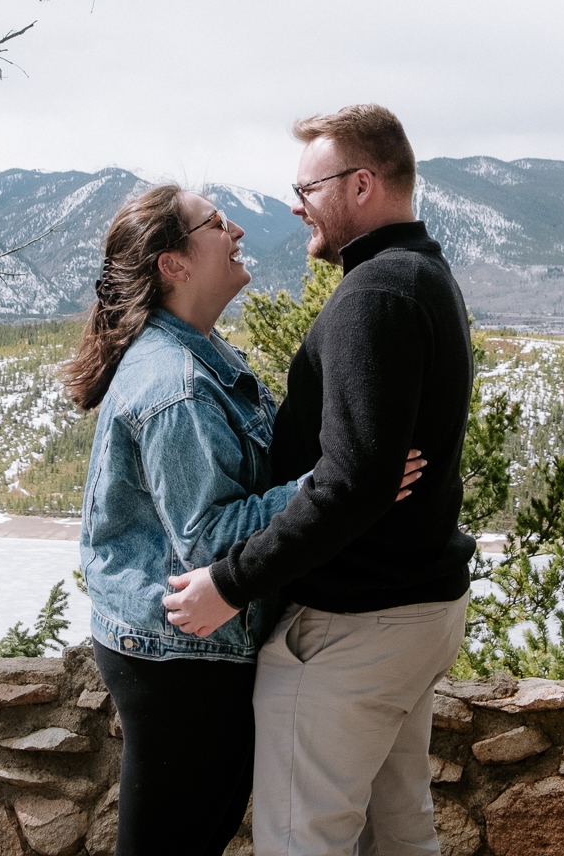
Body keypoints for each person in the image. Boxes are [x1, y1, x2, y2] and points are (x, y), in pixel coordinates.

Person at [63, 184, 427, 856]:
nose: (234, 229)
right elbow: (210, 539)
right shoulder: (176, 383)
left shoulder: (202, 352)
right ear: (173, 264)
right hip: (181, 658)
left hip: (182, 649)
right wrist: (338, 483)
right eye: (214, 222)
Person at [161, 105, 476, 856]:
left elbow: (355, 485)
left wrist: (228, 583)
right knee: (400, 835)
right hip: (417, 612)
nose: (295, 203)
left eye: (308, 186)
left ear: (362, 184)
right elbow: (365, 474)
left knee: (301, 842)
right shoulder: (423, 276)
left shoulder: (375, 294)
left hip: (355, 628)